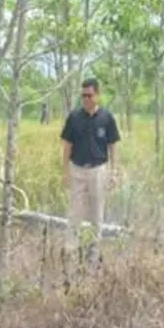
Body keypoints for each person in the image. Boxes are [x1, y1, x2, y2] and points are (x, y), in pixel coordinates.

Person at [60, 77, 121, 265]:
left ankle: (94, 253)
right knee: (75, 213)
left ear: (97, 95)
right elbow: (67, 145)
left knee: (97, 213)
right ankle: (71, 250)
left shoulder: (107, 118)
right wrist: (64, 171)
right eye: (83, 95)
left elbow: (113, 145)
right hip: (77, 168)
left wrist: (114, 171)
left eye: (89, 95)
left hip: (98, 170)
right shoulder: (74, 117)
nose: (85, 99)